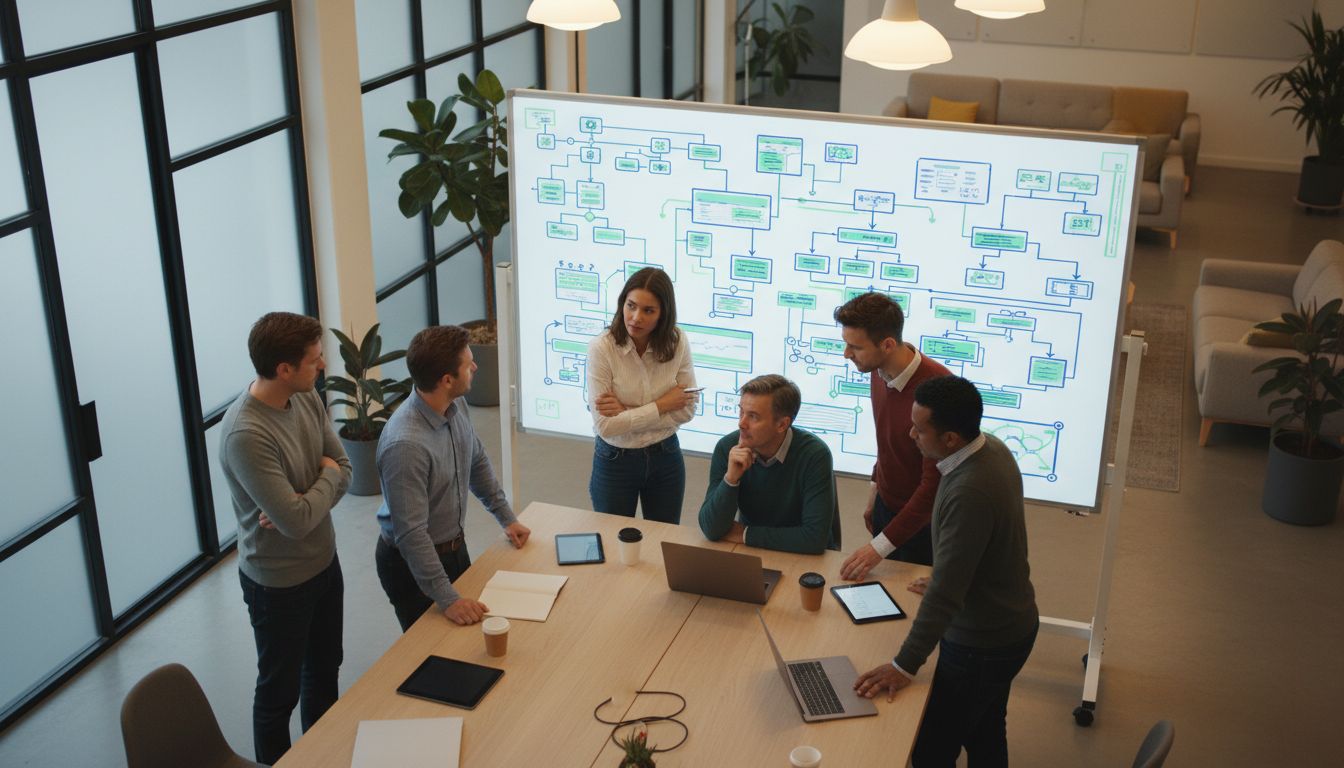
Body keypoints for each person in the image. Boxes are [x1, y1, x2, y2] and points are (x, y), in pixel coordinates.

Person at [854, 375, 1039, 768]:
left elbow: (945, 599)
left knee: (930, 750)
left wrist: (903, 665)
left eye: (920, 429)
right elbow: (976, 554)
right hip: (1011, 624)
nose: (911, 434)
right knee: (985, 730)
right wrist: (948, 577)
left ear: (951, 438)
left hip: (983, 644)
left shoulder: (969, 490)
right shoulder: (990, 448)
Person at [219, 311, 352, 765]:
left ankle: (321, 755)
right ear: (284, 369)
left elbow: (345, 467)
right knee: (278, 695)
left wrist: (310, 494)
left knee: (324, 671)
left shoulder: (307, 398)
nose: (323, 366)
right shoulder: (246, 433)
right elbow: (295, 521)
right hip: (277, 585)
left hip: (323, 563)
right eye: (315, 359)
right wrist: (319, 485)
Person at [376, 325, 531, 632]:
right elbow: (412, 535)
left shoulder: (454, 404)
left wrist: (506, 518)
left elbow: (475, 461)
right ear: (447, 380)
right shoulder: (405, 446)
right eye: (467, 364)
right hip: (412, 563)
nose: (475, 366)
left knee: (466, 638)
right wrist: (448, 599)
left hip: (453, 547)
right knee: (430, 652)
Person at [833, 292, 950, 580]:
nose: (847, 354)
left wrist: (878, 547)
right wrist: (876, 488)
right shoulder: (878, 369)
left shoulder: (937, 391)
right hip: (887, 505)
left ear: (887, 345)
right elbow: (887, 439)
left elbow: (932, 488)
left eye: (855, 347)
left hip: (923, 524)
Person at [586, 267, 698, 523]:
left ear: (663, 314)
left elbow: (687, 410)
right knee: (613, 542)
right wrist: (663, 404)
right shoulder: (601, 349)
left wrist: (625, 412)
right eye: (631, 306)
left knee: (664, 541)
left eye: (648, 311)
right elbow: (605, 425)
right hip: (615, 459)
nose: (636, 317)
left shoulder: (677, 341)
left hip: (666, 455)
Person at [698, 374, 837, 554]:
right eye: (741, 412)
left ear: (782, 424)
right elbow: (711, 528)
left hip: (805, 560)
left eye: (753, 417)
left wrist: (746, 534)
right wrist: (731, 479)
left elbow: (814, 539)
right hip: (751, 553)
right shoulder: (728, 448)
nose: (741, 423)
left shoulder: (814, 455)